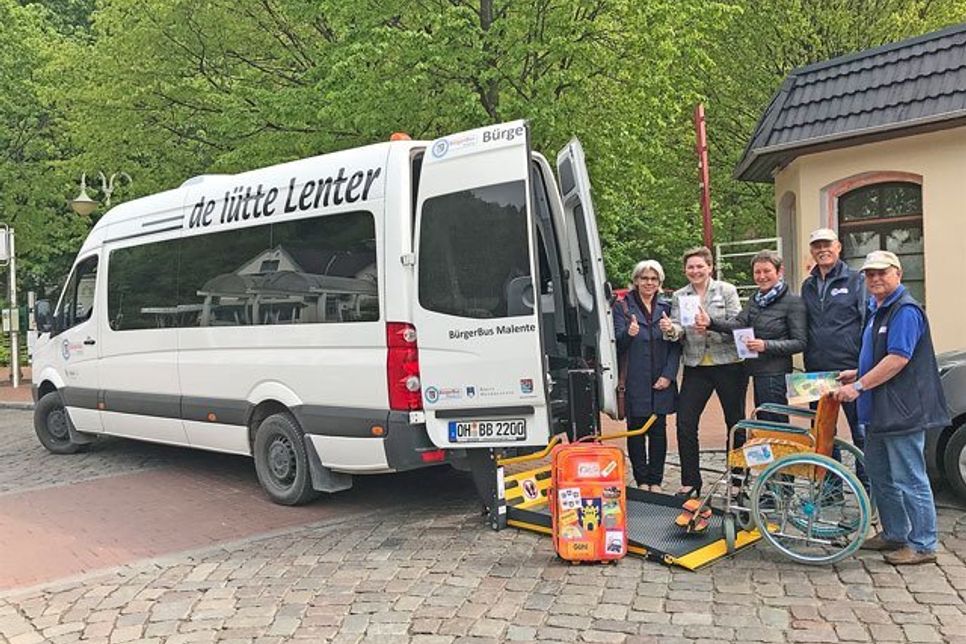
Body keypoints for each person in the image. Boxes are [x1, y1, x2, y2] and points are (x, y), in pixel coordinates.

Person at [834, 250, 949, 565]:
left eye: (882, 272)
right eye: (870, 274)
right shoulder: (878, 308)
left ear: (898, 273)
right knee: (880, 474)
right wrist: (857, 372)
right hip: (879, 411)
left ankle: (923, 545)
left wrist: (859, 386)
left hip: (902, 411)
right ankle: (895, 533)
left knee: (909, 478)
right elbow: (881, 355)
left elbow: (898, 358)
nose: (875, 279)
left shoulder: (905, 310)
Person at [659, 246, 745, 497]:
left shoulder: (726, 290)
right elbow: (679, 328)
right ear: (685, 270)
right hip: (696, 366)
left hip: (728, 363)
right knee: (685, 422)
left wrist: (711, 324)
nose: (695, 271)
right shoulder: (680, 295)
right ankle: (690, 481)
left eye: (700, 266)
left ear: (710, 267)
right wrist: (670, 329)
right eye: (690, 267)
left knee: (736, 423)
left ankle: (737, 480)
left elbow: (738, 323)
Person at [697, 250, 806, 423]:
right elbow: (739, 323)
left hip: (775, 374)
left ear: (779, 271)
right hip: (756, 370)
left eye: (767, 271)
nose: (761, 276)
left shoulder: (793, 302)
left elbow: (800, 343)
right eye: (757, 272)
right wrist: (711, 322)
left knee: (775, 424)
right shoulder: (756, 299)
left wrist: (765, 345)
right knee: (763, 422)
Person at [801, 228, 867, 477]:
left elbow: (866, 321)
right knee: (823, 435)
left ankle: (867, 488)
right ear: (812, 251)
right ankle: (831, 490)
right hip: (816, 371)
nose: (822, 250)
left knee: (861, 433)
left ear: (838, 247)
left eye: (826, 245)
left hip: (850, 369)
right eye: (817, 246)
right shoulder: (808, 285)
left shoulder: (856, 280)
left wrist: (862, 365)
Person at [613, 260, 681, 492]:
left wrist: (668, 375)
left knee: (658, 431)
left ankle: (656, 481)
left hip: (660, 378)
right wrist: (628, 333)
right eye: (644, 278)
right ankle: (642, 480)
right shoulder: (623, 307)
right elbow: (615, 344)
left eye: (653, 279)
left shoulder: (666, 307)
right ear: (636, 281)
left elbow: (676, 346)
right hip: (635, 380)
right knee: (636, 431)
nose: (649, 283)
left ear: (659, 282)